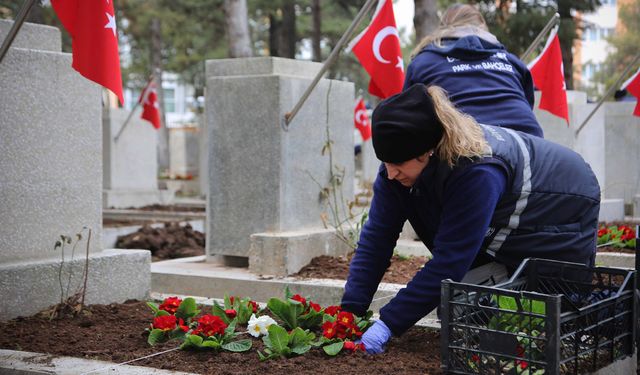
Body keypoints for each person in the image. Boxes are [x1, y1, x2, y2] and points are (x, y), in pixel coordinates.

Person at [340, 83, 600, 354]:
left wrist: (387, 325)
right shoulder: (397, 168)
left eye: (398, 165)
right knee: (461, 309)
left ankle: (619, 306)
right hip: (511, 215)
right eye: (386, 164)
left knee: (556, 313)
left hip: (563, 206)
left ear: (427, 151)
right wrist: (350, 313)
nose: (390, 174)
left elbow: (450, 259)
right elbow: (376, 240)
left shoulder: (477, 170)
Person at [404, 3, 543, 138]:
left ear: (442, 28)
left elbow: (408, 117)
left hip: (465, 146)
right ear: (482, 27)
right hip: (529, 144)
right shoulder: (511, 61)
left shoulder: (422, 62)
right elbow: (527, 105)